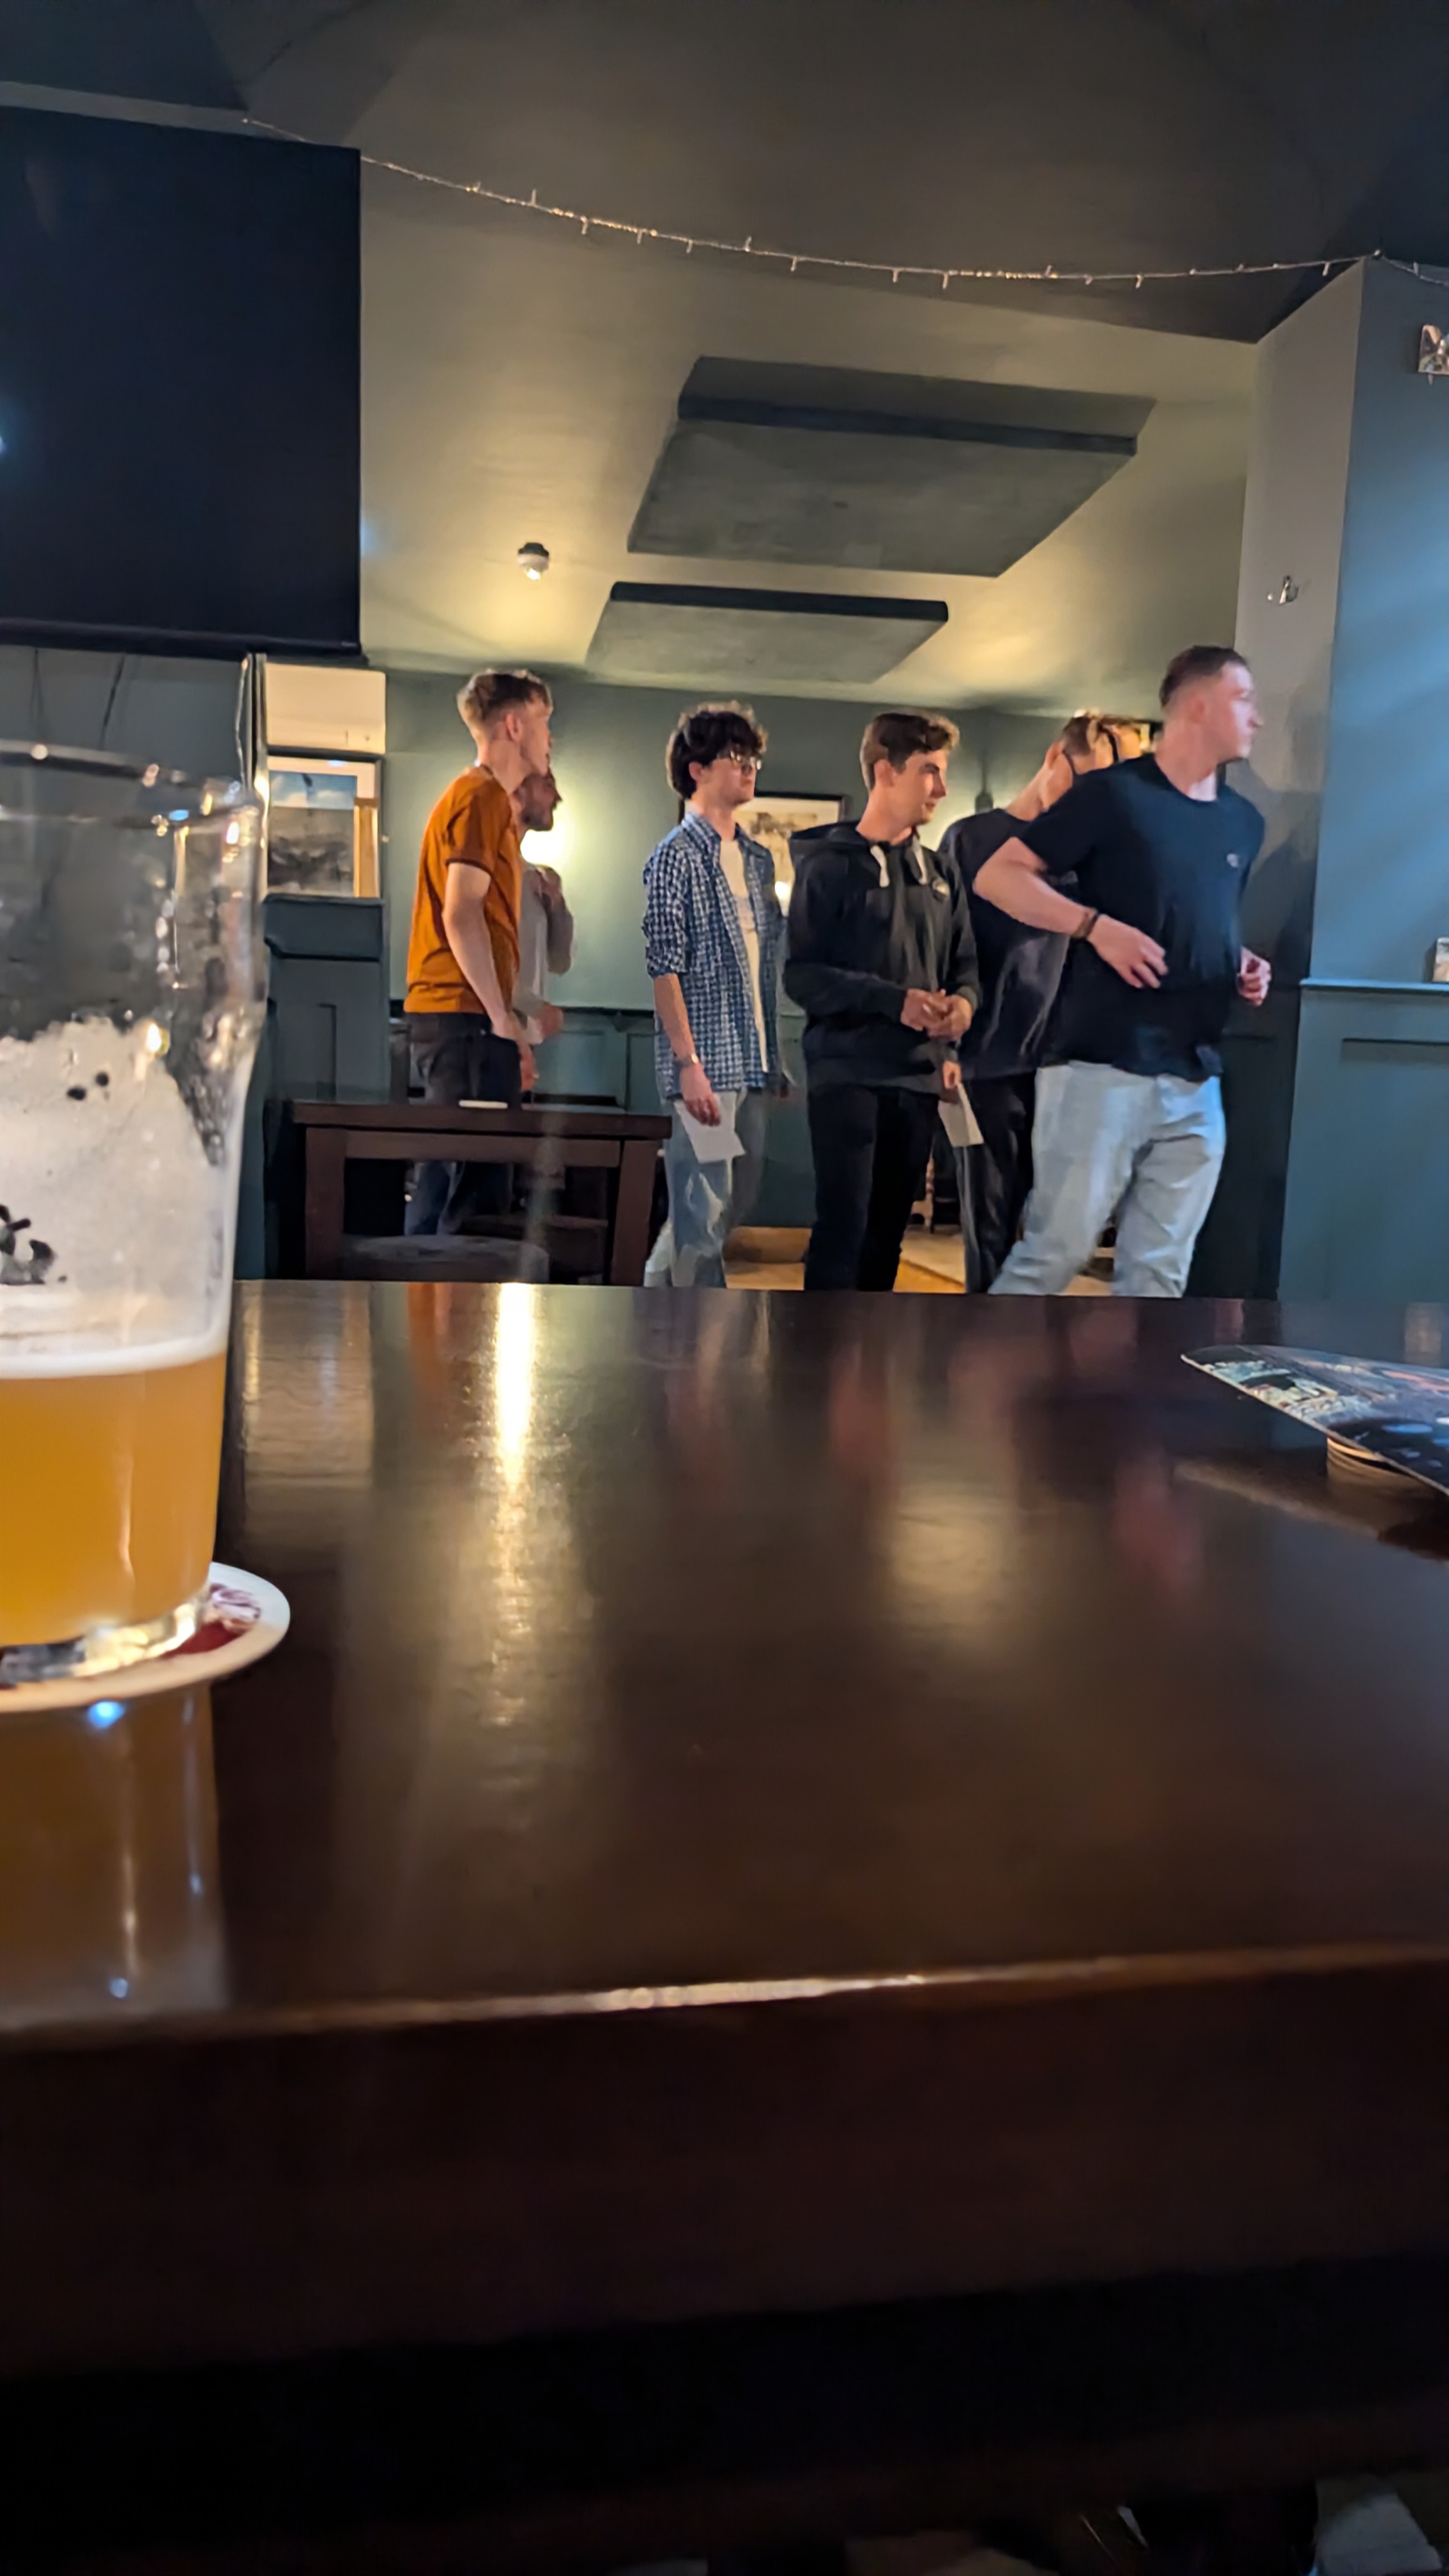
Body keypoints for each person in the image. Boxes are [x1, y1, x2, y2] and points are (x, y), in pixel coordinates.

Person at [976, 646, 1270, 1298]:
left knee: (1160, 1275)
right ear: (1199, 705)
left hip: (1197, 1080)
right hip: (1099, 1069)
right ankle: (983, 1369)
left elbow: (1197, 917)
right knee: (1054, 1256)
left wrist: (1239, 960)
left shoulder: (1243, 824)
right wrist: (1093, 926)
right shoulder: (1112, 796)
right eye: (1244, 699)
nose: (1258, 717)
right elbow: (998, 877)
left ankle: (1137, 1375)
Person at [941, 712, 1139, 1286]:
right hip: (985, 1062)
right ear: (1055, 757)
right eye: (1084, 783)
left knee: (1057, 1231)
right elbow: (947, 951)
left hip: (1063, 1065)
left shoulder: (1090, 856)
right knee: (992, 1228)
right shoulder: (970, 840)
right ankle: (985, 1335)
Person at [785, 710, 979, 1292]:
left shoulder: (943, 874)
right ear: (885, 771)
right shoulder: (826, 867)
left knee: (887, 1236)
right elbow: (802, 976)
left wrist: (963, 1008)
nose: (941, 789)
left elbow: (966, 968)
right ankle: (818, 1347)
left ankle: (869, 1349)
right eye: (929, 772)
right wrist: (893, 1003)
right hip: (846, 1075)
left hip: (918, 1080)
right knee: (843, 1231)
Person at [641, 702, 785, 1288]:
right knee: (701, 1213)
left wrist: (775, 1058)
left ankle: (652, 1301)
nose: (747, 767)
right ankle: (694, 1335)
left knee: (731, 1206)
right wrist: (688, 1064)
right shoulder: (673, 858)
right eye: (733, 756)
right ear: (697, 770)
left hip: (754, 1060)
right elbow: (665, 969)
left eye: (752, 758)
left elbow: (762, 966)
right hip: (705, 1062)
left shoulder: (757, 860)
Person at [402, 668, 551, 1234]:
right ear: (513, 725)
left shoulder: (484, 801)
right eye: (543, 723)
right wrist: (500, 1019)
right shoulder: (482, 795)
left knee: (452, 1179)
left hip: (460, 1016)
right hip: (462, 1016)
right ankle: (444, 1293)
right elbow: (462, 913)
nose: (548, 739)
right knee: (470, 1195)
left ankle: (431, 1289)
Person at [510, 769, 574, 1050]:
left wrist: (556, 905)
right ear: (518, 790)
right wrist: (535, 1006)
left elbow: (560, 961)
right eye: (548, 786)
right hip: (487, 1031)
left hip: (525, 1036)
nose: (557, 798)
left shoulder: (535, 878)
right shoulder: (487, 872)